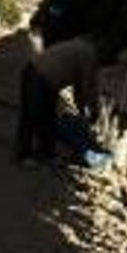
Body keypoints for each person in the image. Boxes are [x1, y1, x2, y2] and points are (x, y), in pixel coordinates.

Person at [16, 34, 108, 167]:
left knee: (48, 118)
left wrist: (84, 109)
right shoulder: (89, 54)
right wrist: (90, 111)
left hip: (45, 80)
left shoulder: (82, 47)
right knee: (31, 116)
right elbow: (86, 87)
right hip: (37, 76)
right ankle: (24, 155)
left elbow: (81, 88)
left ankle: (46, 153)